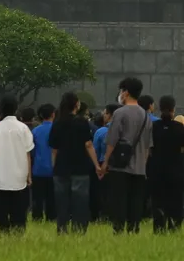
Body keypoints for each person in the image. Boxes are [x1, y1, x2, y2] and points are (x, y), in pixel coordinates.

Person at [103, 77, 153, 234]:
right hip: (139, 167)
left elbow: (112, 140)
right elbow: (147, 145)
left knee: (119, 199)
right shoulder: (146, 116)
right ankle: (134, 229)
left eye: (121, 91)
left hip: (120, 166)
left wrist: (105, 162)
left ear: (126, 92)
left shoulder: (119, 113)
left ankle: (118, 229)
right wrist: (143, 165)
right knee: (136, 201)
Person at [49, 91, 97, 234]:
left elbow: (54, 149)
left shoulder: (57, 122)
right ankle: (79, 230)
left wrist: (54, 166)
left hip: (62, 167)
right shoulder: (81, 121)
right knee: (80, 201)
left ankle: (62, 229)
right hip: (80, 167)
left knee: (62, 202)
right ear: (77, 104)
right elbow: (88, 144)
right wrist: (97, 165)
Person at [0, 94, 32, 233]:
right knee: (19, 211)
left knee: (0, 210)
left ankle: (2, 232)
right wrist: (29, 175)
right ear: (16, 108)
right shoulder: (23, 128)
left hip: (0, 175)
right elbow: (27, 153)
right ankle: (18, 233)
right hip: (19, 175)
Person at [148, 95, 184, 233]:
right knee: (175, 200)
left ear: (159, 108)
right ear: (173, 109)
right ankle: (174, 226)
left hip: (157, 169)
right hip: (175, 168)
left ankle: (159, 227)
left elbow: (150, 149)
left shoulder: (154, 126)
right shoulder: (179, 127)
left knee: (158, 200)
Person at [92, 102, 119, 221]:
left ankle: (104, 216)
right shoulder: (124, 130)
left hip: (103, 166)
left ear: (109, 115)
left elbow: (95, 151)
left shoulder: (101, 131)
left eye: (105, 113)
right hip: (121, 165)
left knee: (104, 193)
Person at [30, 103, 56, 222]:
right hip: (54, 169)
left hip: (38, 169)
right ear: (53, 114)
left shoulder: (35, 131)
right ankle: (51, 218)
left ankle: (37, 218)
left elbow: (32, 151)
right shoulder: (56, 129)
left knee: (37, 198)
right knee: (52, 197)